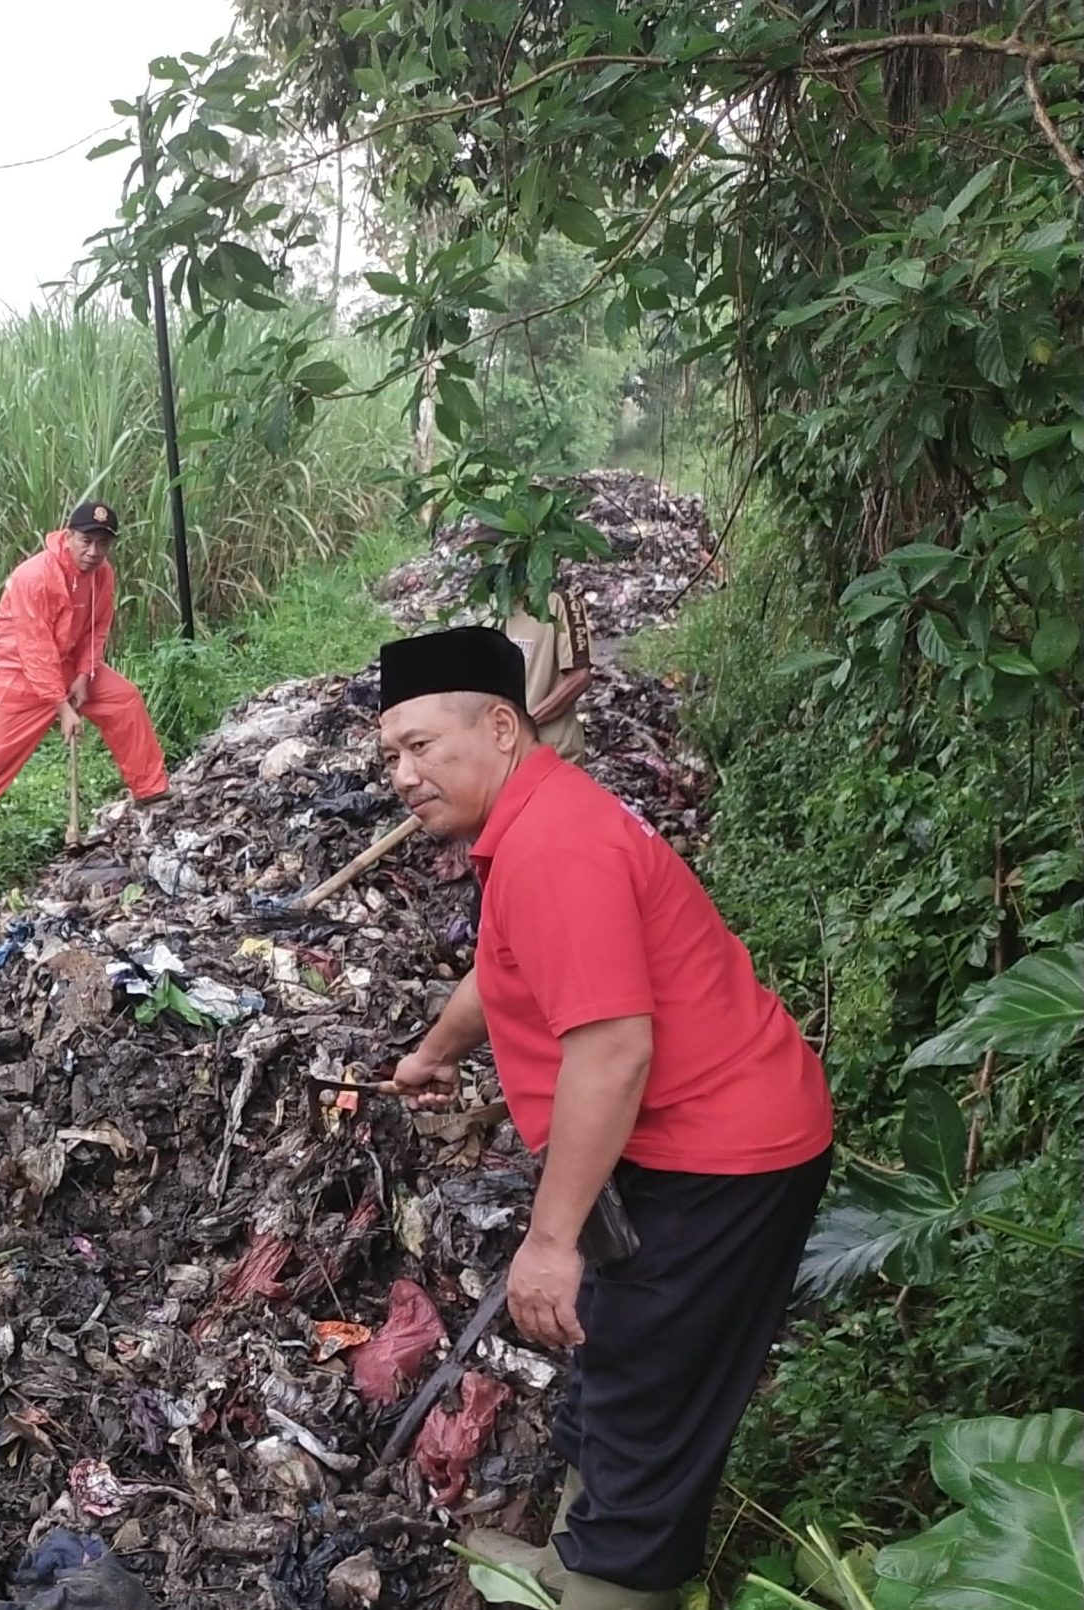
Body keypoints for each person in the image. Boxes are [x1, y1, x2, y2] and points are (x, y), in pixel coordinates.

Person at [375, 626, 834, 1610]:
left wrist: (548, 1236)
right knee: (613, 1359)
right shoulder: (533, 820)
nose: (401, 775)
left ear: (499, 725)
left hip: (719, 1155)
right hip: (682, 1139)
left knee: (646, 1400)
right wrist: (432, 1053)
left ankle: (611, 1584)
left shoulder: (556, 844)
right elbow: (503, 964)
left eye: (418, 745)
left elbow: (612, 1048)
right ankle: (574, 1561)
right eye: (389, 756)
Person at [0, 501, 170, 853]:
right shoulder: (34, 577)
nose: (94, 552)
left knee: (124, 700)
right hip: (14, 673)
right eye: (86, 542)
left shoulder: (103, 574)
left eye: (102, 544)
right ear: (68, 536)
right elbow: (35, 648)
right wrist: (62, 707)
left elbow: (97, 629)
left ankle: (152, 792)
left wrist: (84, 674)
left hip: (64, 666)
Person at [498, 585, 595, 760]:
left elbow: (580, 677)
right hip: (510, 759)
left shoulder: (559, 601)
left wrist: (527, 723)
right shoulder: (497, 607)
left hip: (556, 755)